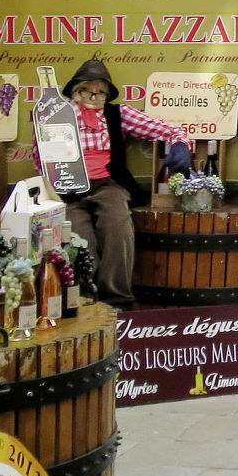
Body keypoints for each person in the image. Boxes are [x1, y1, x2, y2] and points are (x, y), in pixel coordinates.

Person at [58, 59, 193, 311]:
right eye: (87, 90)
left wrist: (179, 144)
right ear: (75, 90)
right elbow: (41, 155)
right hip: (69, 186)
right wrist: (55, 180)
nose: (94, 96)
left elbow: (167, 130)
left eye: (101, 91)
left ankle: (116, 299)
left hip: (107, 182)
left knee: (117, 224)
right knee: (77, 235)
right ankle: (85, 298)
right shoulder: (57, 114)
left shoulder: (117, 113)